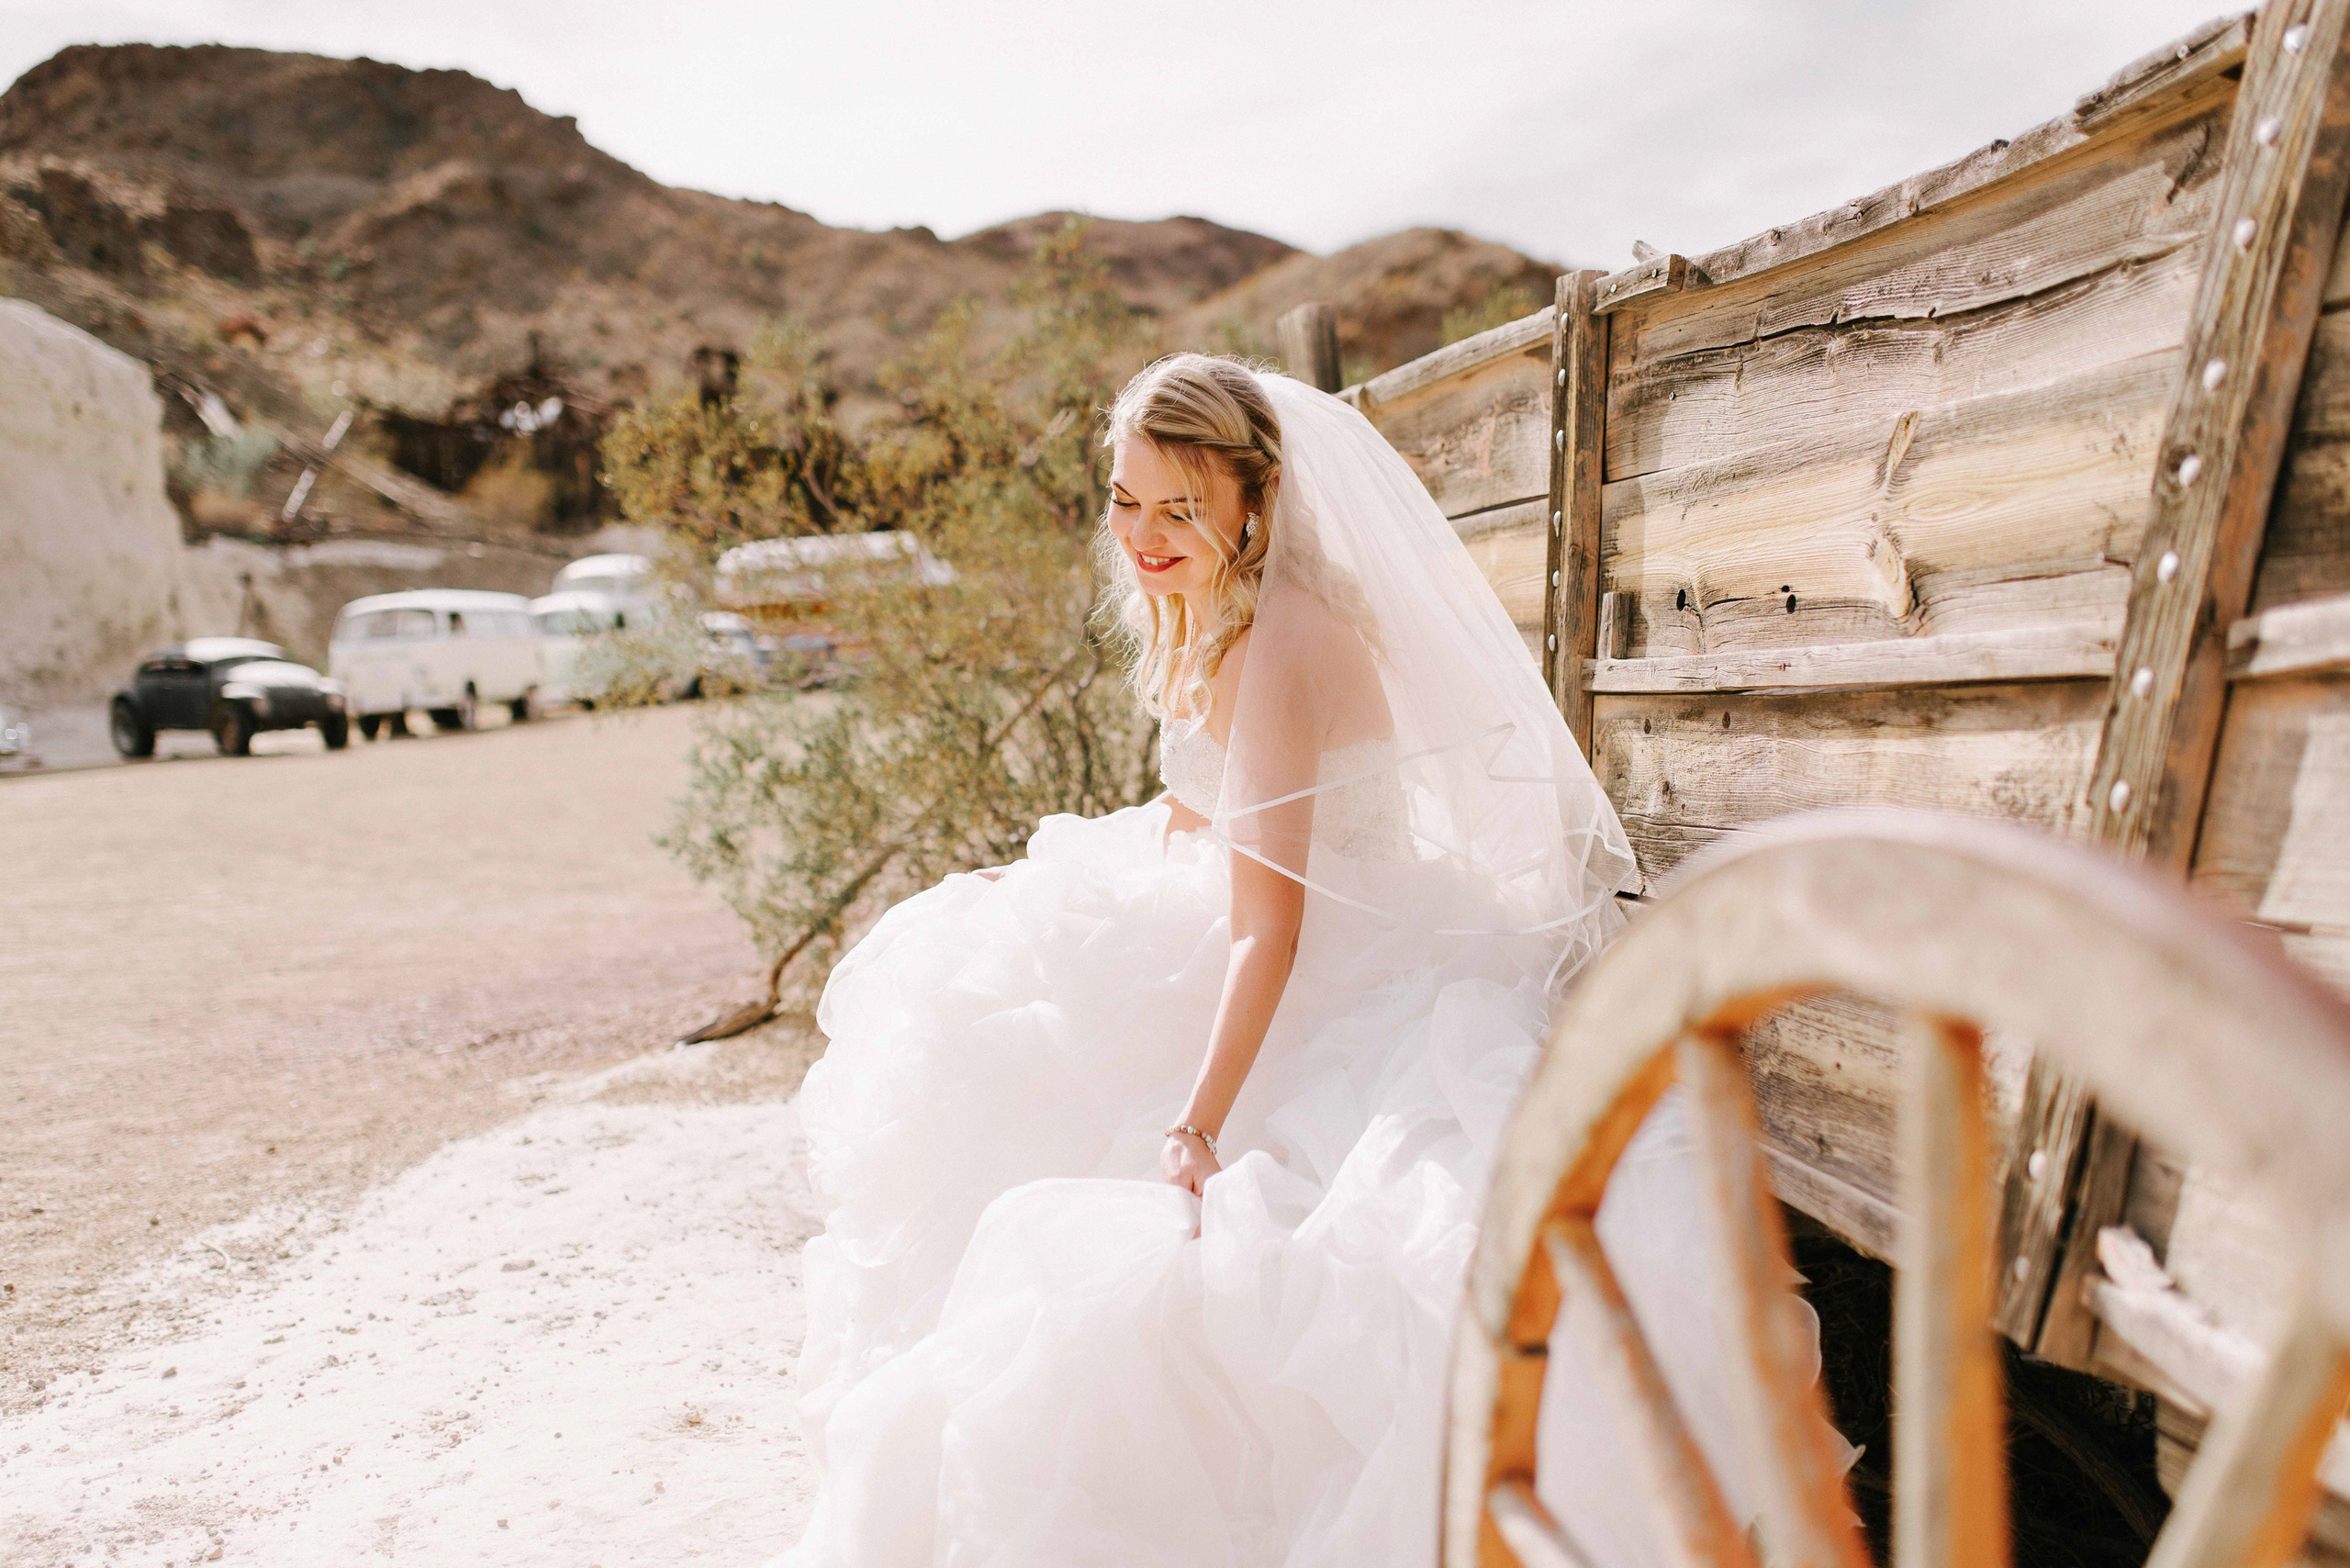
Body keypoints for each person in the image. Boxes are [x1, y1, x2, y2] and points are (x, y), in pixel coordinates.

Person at [779, 354, 1809, 1566]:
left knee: (1063, 1083)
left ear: (1254, 502)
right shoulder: (1231, 615)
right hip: (1305, 920)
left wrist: (1197, 1128)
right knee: (999, 952)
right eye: (1127, 501)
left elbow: (1273, 929)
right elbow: (1241, 820)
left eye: (1182, 507)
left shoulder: (1281, 638)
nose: (1146, 536)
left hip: (1341, 965)